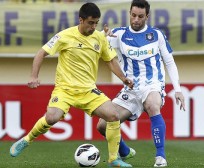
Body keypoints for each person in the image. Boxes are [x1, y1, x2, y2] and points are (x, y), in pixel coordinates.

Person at [9, 2, 134, 167]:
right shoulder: (65, 36)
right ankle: (26, 140)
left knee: (113, 116)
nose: (93, 26)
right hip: (65, 90)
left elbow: (110, 60)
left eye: (96, 23)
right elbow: (41, 53)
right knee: (51, 118)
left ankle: (114, 160)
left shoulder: (100, 38)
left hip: (89, 91)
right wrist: (34, 75)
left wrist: (123, 78)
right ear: (81, 20)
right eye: (90, 23)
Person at [97, 0, 186, 167]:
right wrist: (102, 37)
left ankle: (160, 156)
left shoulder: (156, 34)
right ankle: (124, 151)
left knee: (153, 104)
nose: (136, 20)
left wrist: (178, 89)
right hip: (131, 89)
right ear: (129, 14)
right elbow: (96, 44)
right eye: (133, 15)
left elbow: (169, 61)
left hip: (153, 85)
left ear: (147, 17)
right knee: (102, 125)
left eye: (140, 16)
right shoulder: (119, 34)